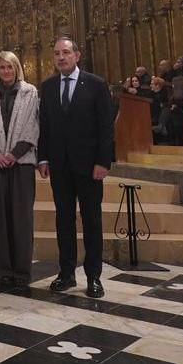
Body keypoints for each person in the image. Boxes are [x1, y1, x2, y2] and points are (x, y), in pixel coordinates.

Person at [38, 37, 114, 299]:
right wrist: (43, 158)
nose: (61, 57)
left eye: (66, 52)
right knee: (64, 221)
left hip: (89, 166)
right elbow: (45, 127)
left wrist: (104, 162)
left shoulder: (96, 84)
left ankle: (93, 277)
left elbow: (106, 127)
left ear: (77, 55)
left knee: (92, 221)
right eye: (57, 53)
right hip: (60, 166)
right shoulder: (47, 87)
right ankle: (66, 273)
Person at [0, 50, 41, 286]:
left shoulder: (29, 91)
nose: (6, 71)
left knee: (22, 218)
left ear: (17, 69)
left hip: (21, 163)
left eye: (10, 67)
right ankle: (4, 269)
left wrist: (14, 154)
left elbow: (32, 126)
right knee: (0, 219)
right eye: (2, 67)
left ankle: (22, 271)